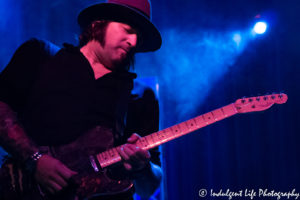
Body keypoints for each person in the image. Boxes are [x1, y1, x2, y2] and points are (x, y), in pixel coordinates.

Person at [0, 0, 162, 199]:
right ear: (98, 24)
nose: (134, 42)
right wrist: (35, 159)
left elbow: (149, 188)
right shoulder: (40, 56)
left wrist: (142, 168)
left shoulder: (140, 97)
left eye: (139, 36)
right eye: (127, 30)